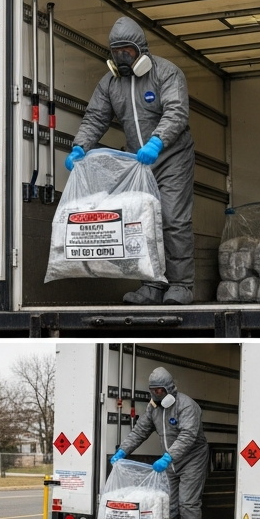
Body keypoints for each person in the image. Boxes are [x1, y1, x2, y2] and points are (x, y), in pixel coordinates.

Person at [65, 16, 195, 305]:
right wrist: (79, 147)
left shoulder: (166, 74)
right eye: (117, 53)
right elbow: (96, 118)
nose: (123, 58)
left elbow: (176, 111)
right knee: (143, 222)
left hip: (172, 157)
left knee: (173, 219)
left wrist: (157, 141)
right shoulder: (110, 84)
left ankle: (182, 285)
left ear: (141, 51)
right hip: (140, 163)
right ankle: (152, 285)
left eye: (128, 52)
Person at [110, 367, 208, 519]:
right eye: (153, 390)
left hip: (192, 460)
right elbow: (140, 431)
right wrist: (123, 451)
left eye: (160, 390)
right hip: (170, 462)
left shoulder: (186, 406)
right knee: (169, 504)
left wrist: (167, 457)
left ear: (169, 389)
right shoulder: (153, 409)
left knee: (187, 504)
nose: (156, 394)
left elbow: (188, 436)